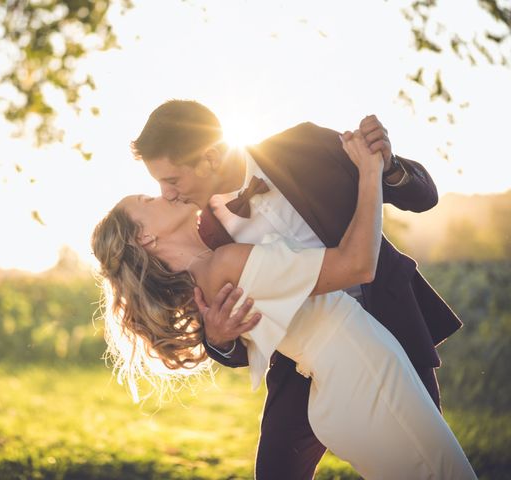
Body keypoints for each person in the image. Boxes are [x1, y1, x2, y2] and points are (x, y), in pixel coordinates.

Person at [91, 131, 476, 479]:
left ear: (207, 157)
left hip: (388, 325)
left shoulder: (301, 147)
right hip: (333, 363)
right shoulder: (211, 249)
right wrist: (219, 338)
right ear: (144, 238)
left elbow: (422, 196)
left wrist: (386, 166)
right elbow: (355, 264)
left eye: (170, 180)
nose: (167, 192)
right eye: (153, 192)